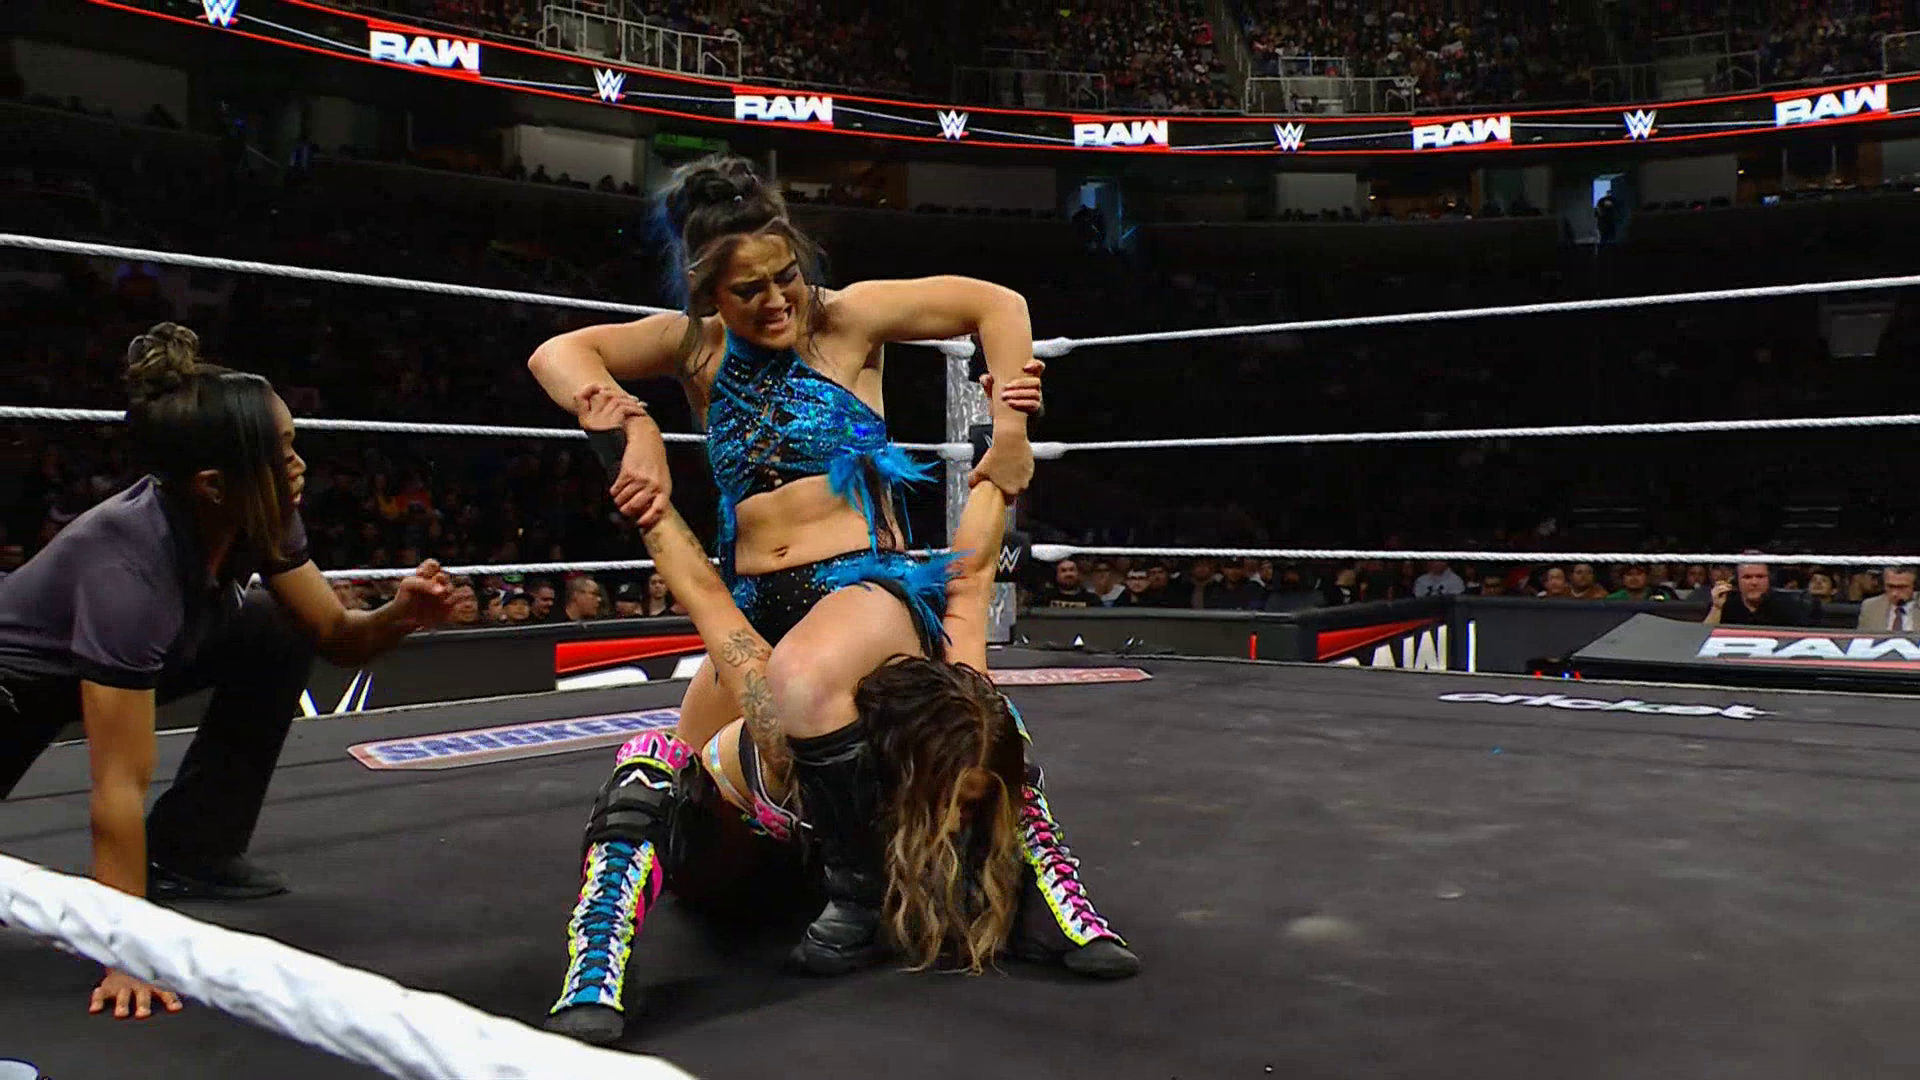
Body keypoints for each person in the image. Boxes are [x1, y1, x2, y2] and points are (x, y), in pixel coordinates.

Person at [527, 154, 1055, 980]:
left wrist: (1010, 429)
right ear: (709, 294)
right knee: (682, 781)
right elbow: (557, 354)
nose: (778, 300)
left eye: (787, 277)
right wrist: (631, 425)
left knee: (803, 684)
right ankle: (633, 948)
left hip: (860, 586)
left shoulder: (847, 319)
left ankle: (862, 889)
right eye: (750, 290)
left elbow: (999, 303)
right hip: (751, 597)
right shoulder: (695, 349)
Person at [543, 378, 1136, 1044]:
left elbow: (972, 574)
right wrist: (626, 468)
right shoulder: (783, 724)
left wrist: (1008, 434)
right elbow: (704, 594)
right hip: (737, 867)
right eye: (948, 801)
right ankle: (599, 958)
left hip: (847, 878)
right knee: (649, 765)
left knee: (993, 725)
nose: (959, 821)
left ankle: (1052, 906)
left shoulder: (948, 676)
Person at [0, 323, 455, 1021]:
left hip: (128, 650)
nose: (300, 466)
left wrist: (400, 615)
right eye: (282, 453)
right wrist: (127, 951)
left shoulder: (259, 514)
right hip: (15, 688)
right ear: (213, 484)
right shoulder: (128, 570)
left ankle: (192, 850)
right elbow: (116, 785)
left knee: (275, 626)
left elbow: (335, 637)